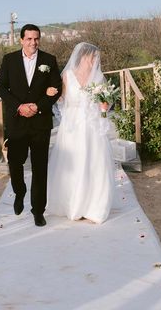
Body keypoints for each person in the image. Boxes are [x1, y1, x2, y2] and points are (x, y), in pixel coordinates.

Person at [0, 24, 62, 227]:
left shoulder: (49, 60)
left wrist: (38, 106)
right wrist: (19, 106)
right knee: (15, 163)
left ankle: (38, 210)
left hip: (40, 122)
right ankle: (19, 191)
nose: (33, 42)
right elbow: (1, 87)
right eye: (29, 39)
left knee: (40, 167)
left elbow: (56, 88)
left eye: (36, 39)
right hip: (17, 121)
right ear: (21, 40)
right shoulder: (9, 60)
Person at [47, 43, 114, 223]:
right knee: (74, 162)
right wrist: (54, 94)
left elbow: (105, 104)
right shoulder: (67, 76)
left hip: (92, 125)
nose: (96, 61)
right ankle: (73, 203)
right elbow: (60, 101)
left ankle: (94, 205)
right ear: (85, 56)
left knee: (94, 161)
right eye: (94, 57)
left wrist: (104, 107)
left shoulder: (98, 77)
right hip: (73, 124)